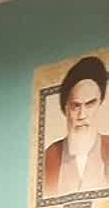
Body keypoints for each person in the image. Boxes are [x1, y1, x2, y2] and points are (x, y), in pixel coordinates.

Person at [43, 56, 109, 198]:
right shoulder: (50, 156)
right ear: (65, 108)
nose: (82, 115)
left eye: (90, 104)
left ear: (100, 103)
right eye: (76, 106)